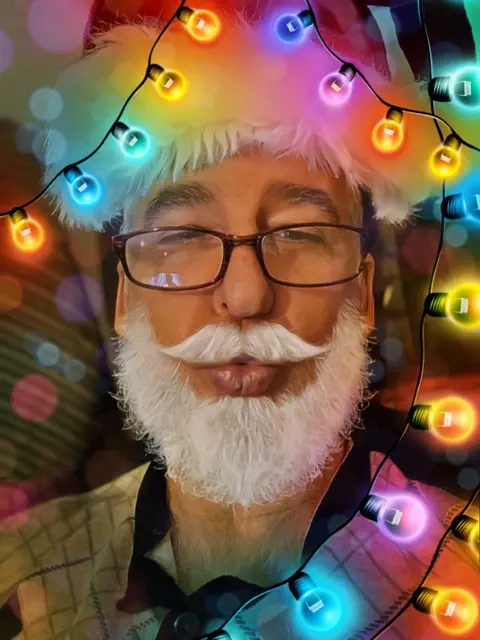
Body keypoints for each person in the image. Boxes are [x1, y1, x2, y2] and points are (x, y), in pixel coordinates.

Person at [0, 2, 478, 640]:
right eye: (182, 236)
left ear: (362, 296)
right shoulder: (18, 574)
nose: (247, 296)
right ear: (125, 300)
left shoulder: (462, 582)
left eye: (299, 233)